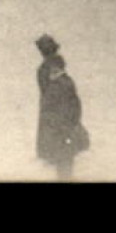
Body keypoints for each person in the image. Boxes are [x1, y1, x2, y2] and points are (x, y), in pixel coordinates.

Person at [34, 35, 86, 179]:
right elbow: (71, 101)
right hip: (62, 122)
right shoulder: (56, 74)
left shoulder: (48, 71)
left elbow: (67, 100)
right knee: (65, 160)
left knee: (63, 161)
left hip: (59, 123)